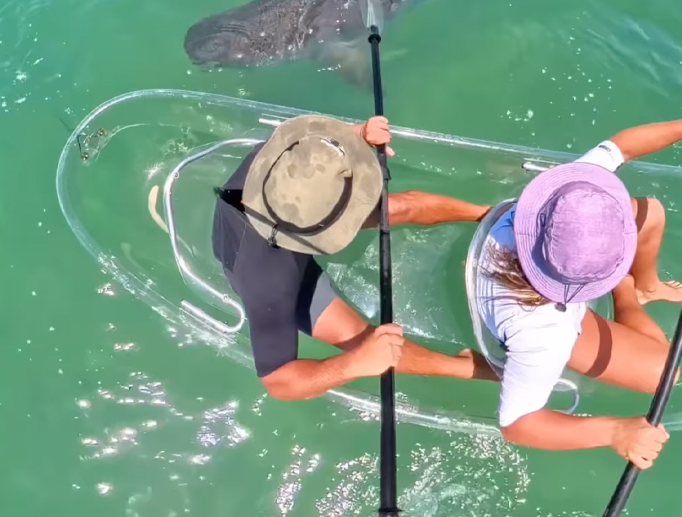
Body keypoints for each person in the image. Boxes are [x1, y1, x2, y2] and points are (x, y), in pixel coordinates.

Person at [212, 113, 499, 401]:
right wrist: (357, 363)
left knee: (398, 206)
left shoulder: (277, 159)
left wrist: (359, 134)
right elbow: (278, 382)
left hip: (282, 216)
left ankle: (492, 214)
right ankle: (468, 367)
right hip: (274, 264)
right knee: (363, 340)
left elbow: (316, 148)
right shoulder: (267, 283)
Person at [474, 114, 682, 469]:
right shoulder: (546, 333)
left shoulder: (566, 198)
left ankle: (647, 286)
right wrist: (614, 431)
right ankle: (626, 289)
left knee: (650, 213)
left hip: (505, 252)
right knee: (665, 374)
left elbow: (621, 147)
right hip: (534, 309)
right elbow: (516, 424)